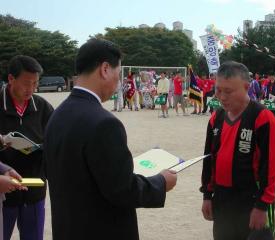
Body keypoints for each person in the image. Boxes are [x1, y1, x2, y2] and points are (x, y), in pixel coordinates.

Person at [43, 39, 177, 240]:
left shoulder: (58, 114)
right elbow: (122, 190)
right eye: (118, 72)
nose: (119, 80)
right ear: (105, 69)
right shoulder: (104, 123)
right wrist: (160, 182)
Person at [200, 61, 275, 240]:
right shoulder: (216, 118)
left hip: (252, 199)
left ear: (246, 87)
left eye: (228, 91)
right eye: (218, 90)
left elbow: (271, 165)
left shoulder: (262, 118)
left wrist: (262, 206)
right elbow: (209, 159)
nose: (221, 96)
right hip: (222, 198)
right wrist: (207, 194)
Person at [0, 55, 53, 240]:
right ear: (11, 79)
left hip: (34, 189)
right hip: (3, 191)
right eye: (26, 83)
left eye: (35, 83)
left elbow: (56, 141)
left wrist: (41, 148)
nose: (31, 89)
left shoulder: (43, 107)